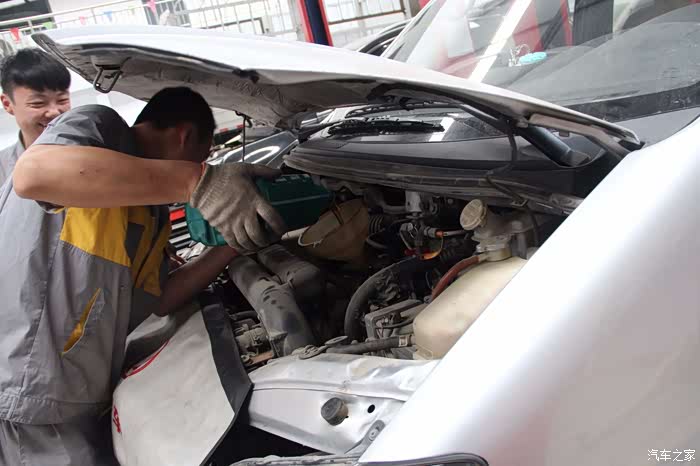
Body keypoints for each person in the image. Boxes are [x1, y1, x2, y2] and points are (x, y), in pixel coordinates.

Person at [0, 86, 286, 466]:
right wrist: (197, 180)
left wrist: (233, 245)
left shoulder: (151, 214)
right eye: (202, 156)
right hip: (30, 386)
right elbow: (32, 174)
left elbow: (161, 298)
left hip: (72, 390)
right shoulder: (99, 127)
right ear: (184, 136)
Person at [0, 48, 71, 185]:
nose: (54, 112)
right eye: (38, 103)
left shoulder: (97, 152)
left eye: (62, 100)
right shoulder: (3, 170)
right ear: (7, 104)